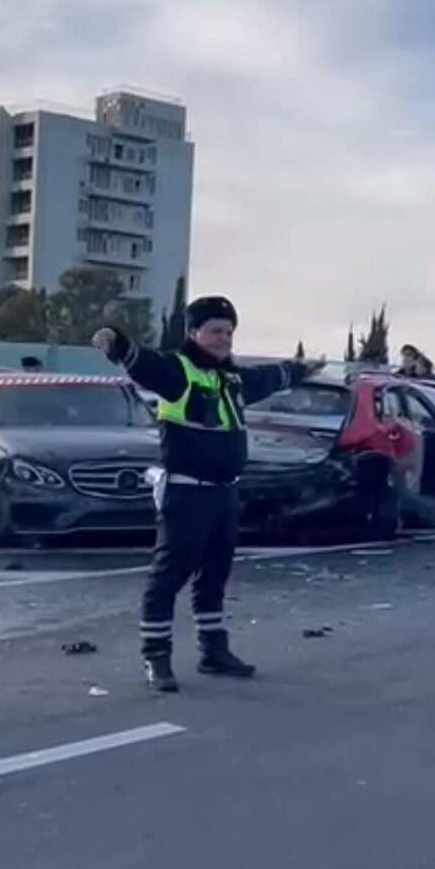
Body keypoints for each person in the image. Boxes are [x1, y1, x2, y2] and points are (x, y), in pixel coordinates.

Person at [92, 297, 324, 693]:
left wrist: (301, 369)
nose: (224, 339)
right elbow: (144, 363)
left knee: (215, 575)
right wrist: (115, 341)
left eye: (229, 332)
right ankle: (157, 657)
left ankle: (213, 651)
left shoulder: (232, 380)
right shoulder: (178, 372)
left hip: (224, 495)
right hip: (187, 494)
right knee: (169, 576)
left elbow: (269, 377)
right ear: (194, 333)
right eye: (216, 331)